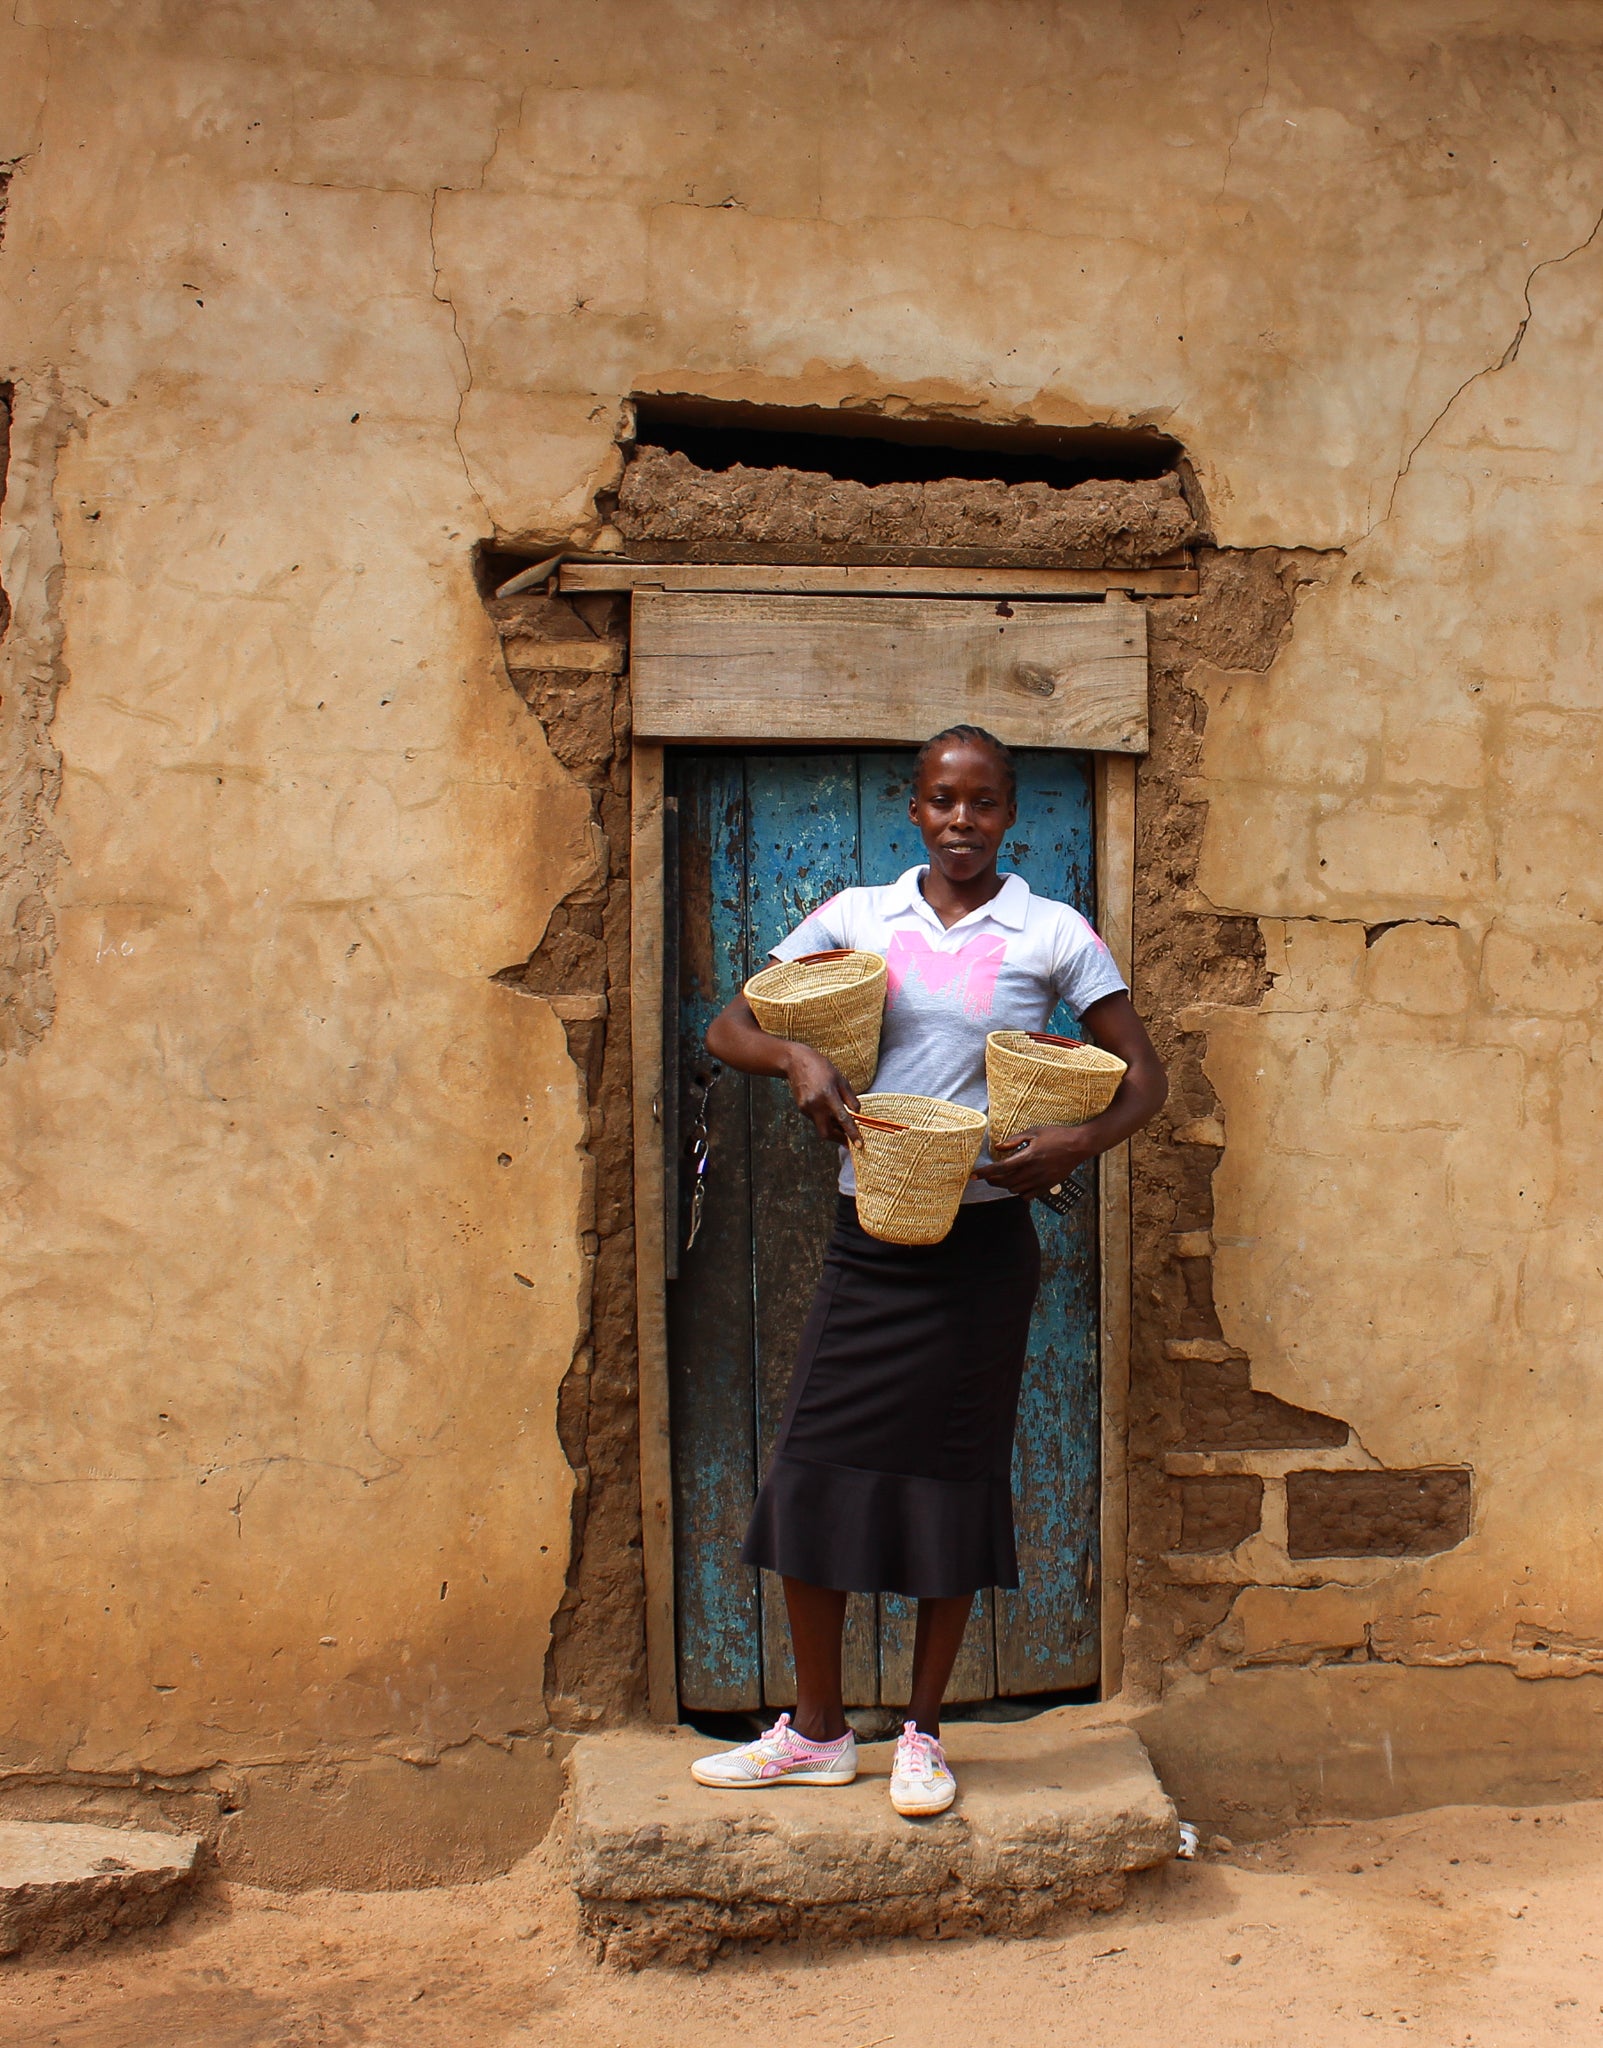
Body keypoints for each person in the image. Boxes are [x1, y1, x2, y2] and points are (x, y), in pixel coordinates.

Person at [689, 725, 1167, 1817]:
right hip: (869, 1241)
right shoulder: (857, 917)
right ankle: (816, 1731)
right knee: (812, 1465)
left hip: (984, 1251)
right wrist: (796, 1054)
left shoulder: (1052, 932)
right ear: (914, 809)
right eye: (943, 800)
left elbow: (1145, 1076)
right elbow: (729, 1025)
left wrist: (1080, 1142)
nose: (961, 820)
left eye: (983, 801)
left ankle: (922, 1733)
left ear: (1010, 814)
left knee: (954, 1480)